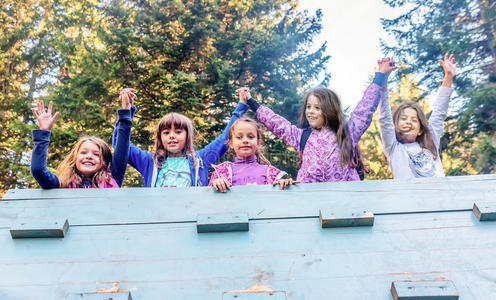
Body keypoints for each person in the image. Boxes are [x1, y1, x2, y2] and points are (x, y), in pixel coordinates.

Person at [238, 58, 396, 183]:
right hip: (310, 202)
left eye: (317, 108)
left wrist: (380, 76)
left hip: (346, 201)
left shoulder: (348, 132)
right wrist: (252, 102)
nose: (310, 112)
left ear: (329, 110)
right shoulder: (302, 137)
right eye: (308, 107)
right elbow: (278, 124)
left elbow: (365, 108)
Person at [112, 89, 249, 187]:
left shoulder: (201, 160)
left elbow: (225, 138)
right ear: (160, 138)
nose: (171, 136)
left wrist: (241, 106)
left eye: (178, 132)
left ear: (187, 136)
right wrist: (126, 113)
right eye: (166, 133)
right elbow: (120, 146)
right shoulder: (149, 162)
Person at [378, 53, 457, 179]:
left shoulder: (430, 143)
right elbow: (384, 118)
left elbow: (438, 114)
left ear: (420, 129)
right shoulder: (393, 148)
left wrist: (448, 77)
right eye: (403, 119)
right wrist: (382, 78)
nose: (408, 122)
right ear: (395, 127)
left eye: (414, 120)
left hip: (439, 197)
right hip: (409, 198)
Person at [30, 94, 133, 188]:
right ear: (74, 159)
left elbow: (122, 149)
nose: (89, 156)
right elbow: (38, 170)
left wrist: (126, 113)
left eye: (96, 154)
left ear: (104, 163)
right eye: (83, 152)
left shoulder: (112, 179)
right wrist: (44, 132)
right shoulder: (61, 185)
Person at [209, 117, 297, 192]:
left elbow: (279, 201)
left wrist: (284, 185)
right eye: (239, 137)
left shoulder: (271, 174)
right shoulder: (220, 173)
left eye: (250, 137)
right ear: (231, 143)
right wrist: (215, 185)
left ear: (258, 142)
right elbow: (208, 201)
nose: (245, 140)